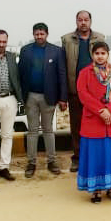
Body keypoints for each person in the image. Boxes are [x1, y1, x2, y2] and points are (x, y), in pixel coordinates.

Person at [76, 41, 111, 203]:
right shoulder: (85, 73)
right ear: (92, 55)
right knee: (96, 157)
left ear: (108, 54)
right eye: (97, 53)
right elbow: (83, 94)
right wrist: (101, 110)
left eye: (103, 53)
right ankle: (96, 190)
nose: (100, 56)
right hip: (94, 122)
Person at [18, 23, 68, 178]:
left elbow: (62, 75)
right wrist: (21, 96)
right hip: (30, 96)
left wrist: (63, 97)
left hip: (49, 97)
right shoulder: (25, 50)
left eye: (42, 34)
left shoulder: (57, 51)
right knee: (32, 131)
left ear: (47, 34)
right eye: (36, 34)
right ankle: (31, 162)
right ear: (33, 34)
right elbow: (20, 74)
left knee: (48, 130)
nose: (39, 36)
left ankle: (51, 161)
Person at [63, 10, 106, 173]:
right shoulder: (67, 40)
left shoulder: (99, 38)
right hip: (75, 91)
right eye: (80, 20)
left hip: (96, 92)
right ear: (76, 21)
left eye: (86, 20)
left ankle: (96, 158)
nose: (83, 23)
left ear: (90, 21)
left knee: (96, 125)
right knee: (77, 126)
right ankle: (77, 158)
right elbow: (63, 67)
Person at [0, 30, 22, 182]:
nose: (1, 44)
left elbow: (17, 77)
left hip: (10, 98)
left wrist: (20, 98)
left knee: (7, 135)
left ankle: (4, 167)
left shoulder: (12, 57)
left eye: (4, 42)